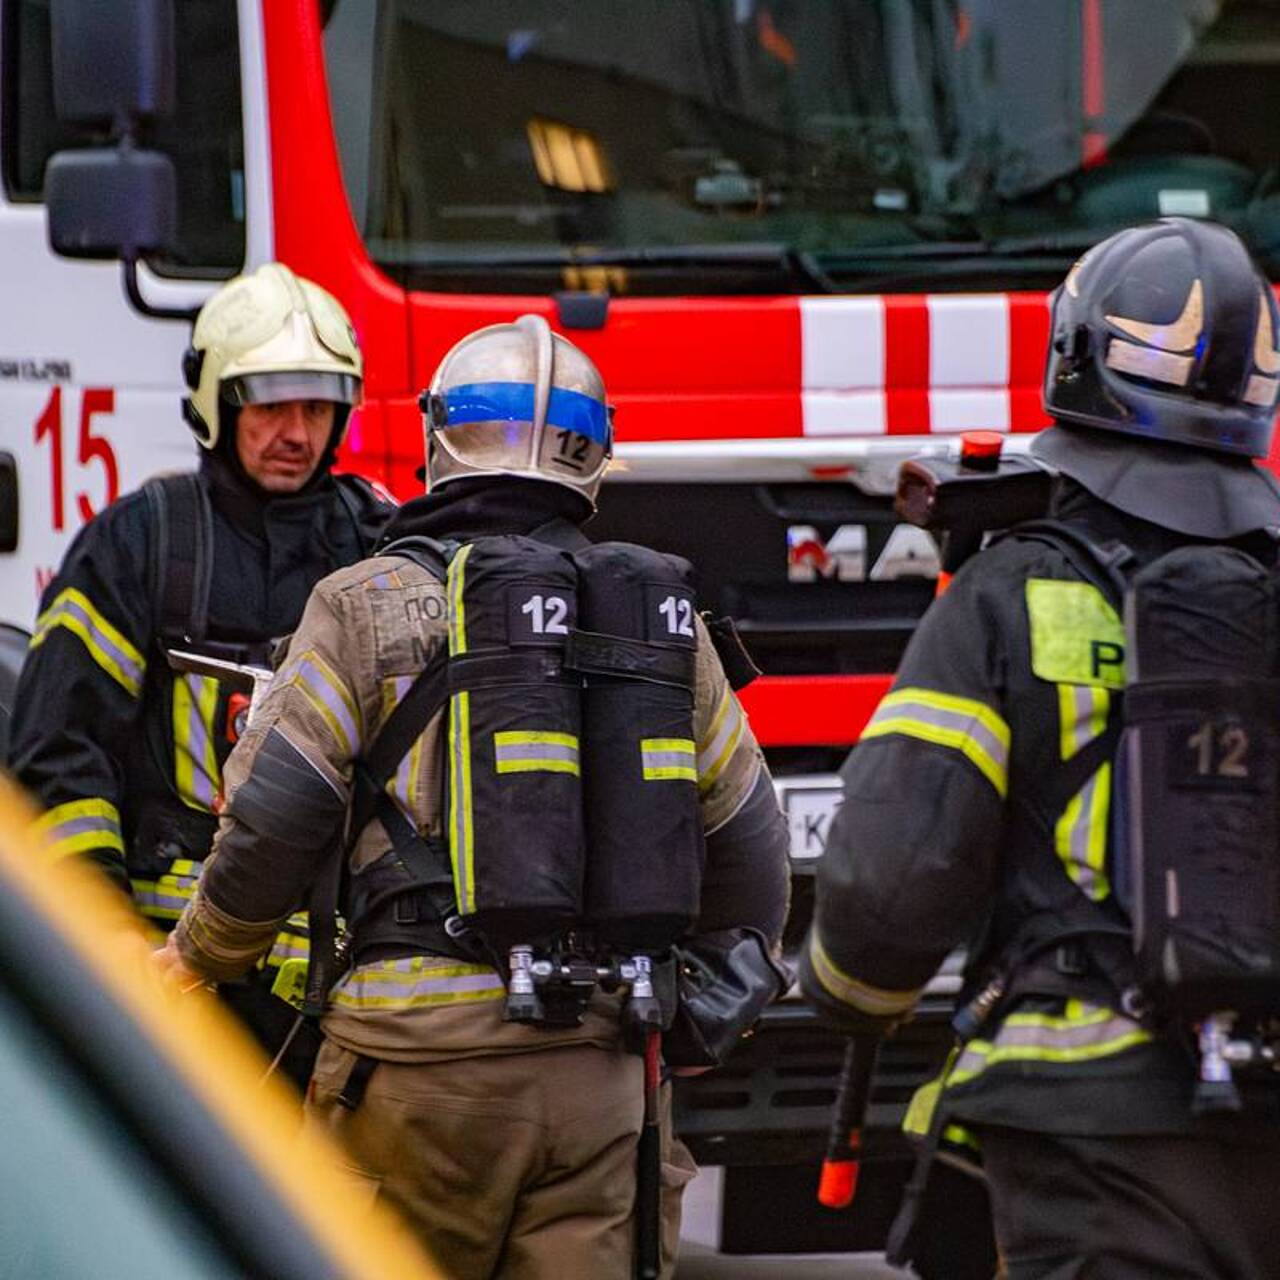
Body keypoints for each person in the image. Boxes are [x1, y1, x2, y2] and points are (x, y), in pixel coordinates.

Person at [158, 313, 791, 1278]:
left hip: (410, 1077)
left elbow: (277, 818)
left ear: (438, 439)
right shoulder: (664, 625)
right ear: (593, 456)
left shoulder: (360, 603)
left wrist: (199, 957)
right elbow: (751, 843)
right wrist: (699, 1003)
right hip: (605, 1075)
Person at [800, 217, 1280, 1280]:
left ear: (1074, 357)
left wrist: (846, 992)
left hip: (1085, 1132)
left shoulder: (1011, 589)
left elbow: (887, 887)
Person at [9, 262, 391, 1087]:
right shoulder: (139, 544)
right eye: (273, 406)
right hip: (173, 985)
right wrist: (101, 925)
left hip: (339, 997)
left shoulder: (378, 549)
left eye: (318, 406)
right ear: (218, 406)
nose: (298, 430)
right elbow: (58, 748)